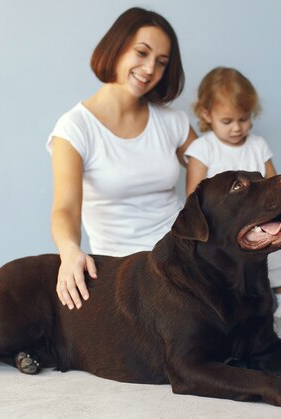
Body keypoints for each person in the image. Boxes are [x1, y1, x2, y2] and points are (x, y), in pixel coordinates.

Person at [47, 8, 197, 310]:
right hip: (123, 270)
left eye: (161, 63)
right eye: (141, 53)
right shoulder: (74, 128)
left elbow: (212, 165)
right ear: (115, 49)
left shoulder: (172, 121)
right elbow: (64, 210)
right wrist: (69, 252)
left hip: (183, 256)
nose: (149, 68)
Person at [184, 67, 281, 317]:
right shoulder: (203, 149)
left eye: (244, 119)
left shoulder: (257, 145)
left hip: (258, 219)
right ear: (206, 114)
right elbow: (194, 197)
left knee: (276, 254)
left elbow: (273, 182)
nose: (237, 128)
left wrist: (275, 216)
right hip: (225, 226)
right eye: (227, 121)